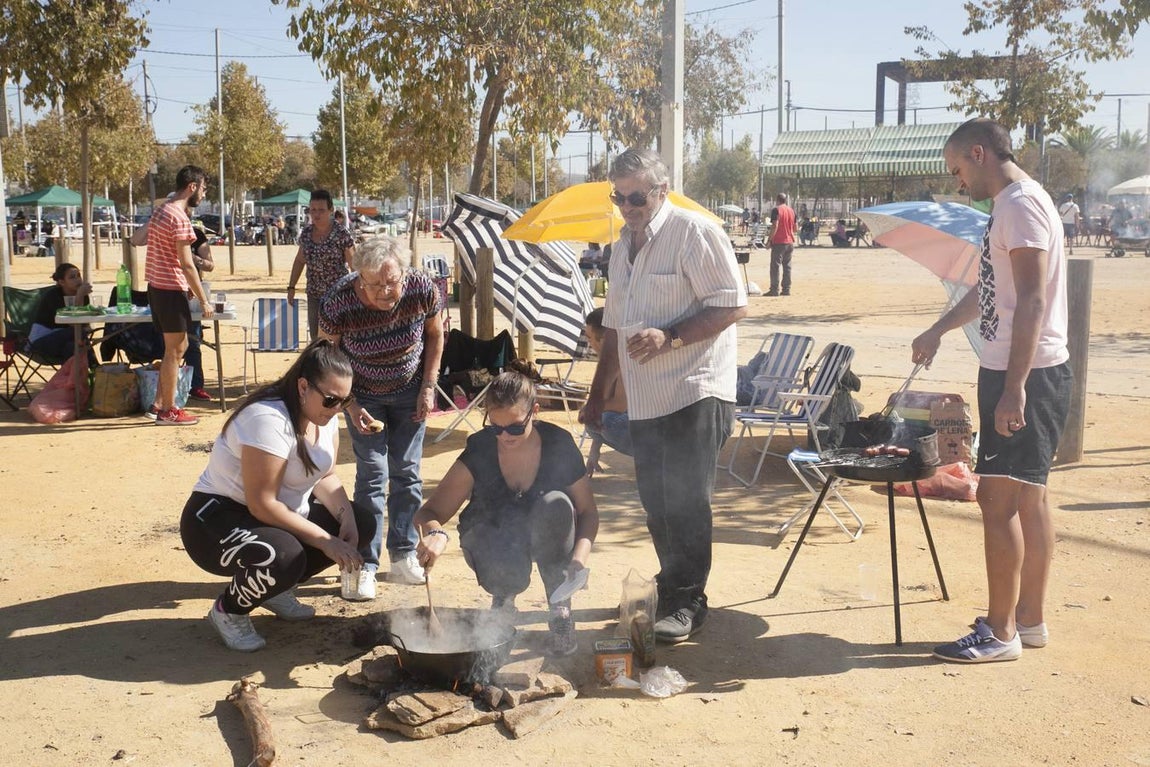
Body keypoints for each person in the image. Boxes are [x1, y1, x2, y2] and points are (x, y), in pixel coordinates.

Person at [911, 117, 1071, 664]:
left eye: (957, 170)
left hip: (1022, 373)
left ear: (978, 154)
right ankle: (1028, 620)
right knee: (1030, 497)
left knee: (998, 502)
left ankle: (1000, 632)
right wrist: (937, 329)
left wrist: (1015, 387)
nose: (958, 183)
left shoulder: (1020, 205)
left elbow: (1030, 300)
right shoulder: (1017, 204)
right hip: (1027, 371)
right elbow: (991, 293)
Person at [581, 147, 747, 644]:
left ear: (661, 190)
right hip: (646, 397)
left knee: (687, 500)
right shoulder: (622, 245)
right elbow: (612, 327)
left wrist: (669, 336)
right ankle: (673, 582)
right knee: (656, 500)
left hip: (696, 388)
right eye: (619, 196)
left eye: (636, 196)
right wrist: (596, 393)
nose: (627, 205)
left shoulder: (695, 233)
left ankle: (688, 600)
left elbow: (732, 305)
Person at [179, 340, 374, 651]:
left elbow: (325, 475)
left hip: (273, 517)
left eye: (345, 400)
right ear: (302, 387)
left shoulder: (325, 418)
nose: (337, 409)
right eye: (330, 400)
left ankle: (274, 587)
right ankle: (229, 610)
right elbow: (262, 504)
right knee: (283, 555)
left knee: (363, 522)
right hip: (215, 520)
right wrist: (326, 541)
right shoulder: (267, 419)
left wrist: (346, 520)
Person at [413, 372, 599, 656]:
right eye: (495, 426)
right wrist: (436, 533)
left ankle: (559, 605)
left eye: (514, 428)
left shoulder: (558, 444)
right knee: (491, 533)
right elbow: (431, 511)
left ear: (534, 413)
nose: (503, 436)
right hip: (497, 539)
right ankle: (504, 598)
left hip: (548, 533)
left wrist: (578, 560)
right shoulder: (481, 448)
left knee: (556, 504)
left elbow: (587, 511)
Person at [318, 234, 444, 599]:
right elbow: (327, 354)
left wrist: (428, 386)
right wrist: (350, 404)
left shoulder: (422, 288)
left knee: (407, 472)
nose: (385, 292)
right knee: (373, 475)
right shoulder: (338, 300)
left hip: (410, 390)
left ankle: (403, 553)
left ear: (404, 274)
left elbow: (435, 335)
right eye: (374, 285)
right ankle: (365, 564)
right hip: (362, 393)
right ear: (359, 278)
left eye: (392, 283)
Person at [137, 165, 214, 425]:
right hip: (170, 290)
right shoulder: (179, 218)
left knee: (174, 348)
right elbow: (186, 262)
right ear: (192, 187)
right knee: (176, 350)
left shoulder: (160, 211)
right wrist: (203, 299)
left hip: (157, 288)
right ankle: (168, 410)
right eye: (203, 188)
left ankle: (159, 403)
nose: (203, 194)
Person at [287, 190, 356, 340]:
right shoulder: (306, 234)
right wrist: (291, 287)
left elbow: (354, 265)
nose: (316, 214)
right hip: (314, 295)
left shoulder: (342, 233)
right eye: (313, 210)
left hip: (339, 296)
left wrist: (359, 293)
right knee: (317, 340)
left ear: (331, 210)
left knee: (339, 339)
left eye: (321, 210)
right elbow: (300, 260)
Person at [582, 308, 631, 477]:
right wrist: (594, 451)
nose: (589, 344)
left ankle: (650, 459)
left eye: (590, 338)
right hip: (631, 421)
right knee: (592, 420)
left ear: (603, 340)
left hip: (651, 427)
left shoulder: (624, 358)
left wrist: (591, 408)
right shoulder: (605, 362)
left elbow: (619, 404)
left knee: (607, 421)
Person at [28, 262, 92, 360]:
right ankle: (96, 369)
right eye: (72, 277)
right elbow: (74, 323)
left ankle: (91, 372)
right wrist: (79, 296)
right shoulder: (53, 296)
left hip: (64, 340)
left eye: (78, 275)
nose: (78, 279)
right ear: (62, 282)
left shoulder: (83, 295)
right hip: (41, 340)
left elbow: (84, 322)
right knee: (80, 333)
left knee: (72, 347)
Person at [766, 192, 796, 296]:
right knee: (787, 266)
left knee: (775, 266)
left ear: (777, 200)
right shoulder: (792, 211)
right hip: (790, 241)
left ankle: (774, 289)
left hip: (779, 242)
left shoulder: (776, 210)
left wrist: (769, 240)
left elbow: (775, 225)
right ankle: (786, 289)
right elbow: (795, 228)